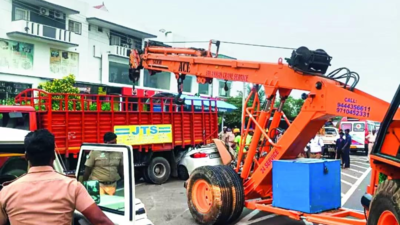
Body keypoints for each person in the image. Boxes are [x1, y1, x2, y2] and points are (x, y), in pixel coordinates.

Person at [0, 129, 113, 225]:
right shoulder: (72, 186)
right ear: (53, 156)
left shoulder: (7, 191)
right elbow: (100, 220)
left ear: (26, 157)